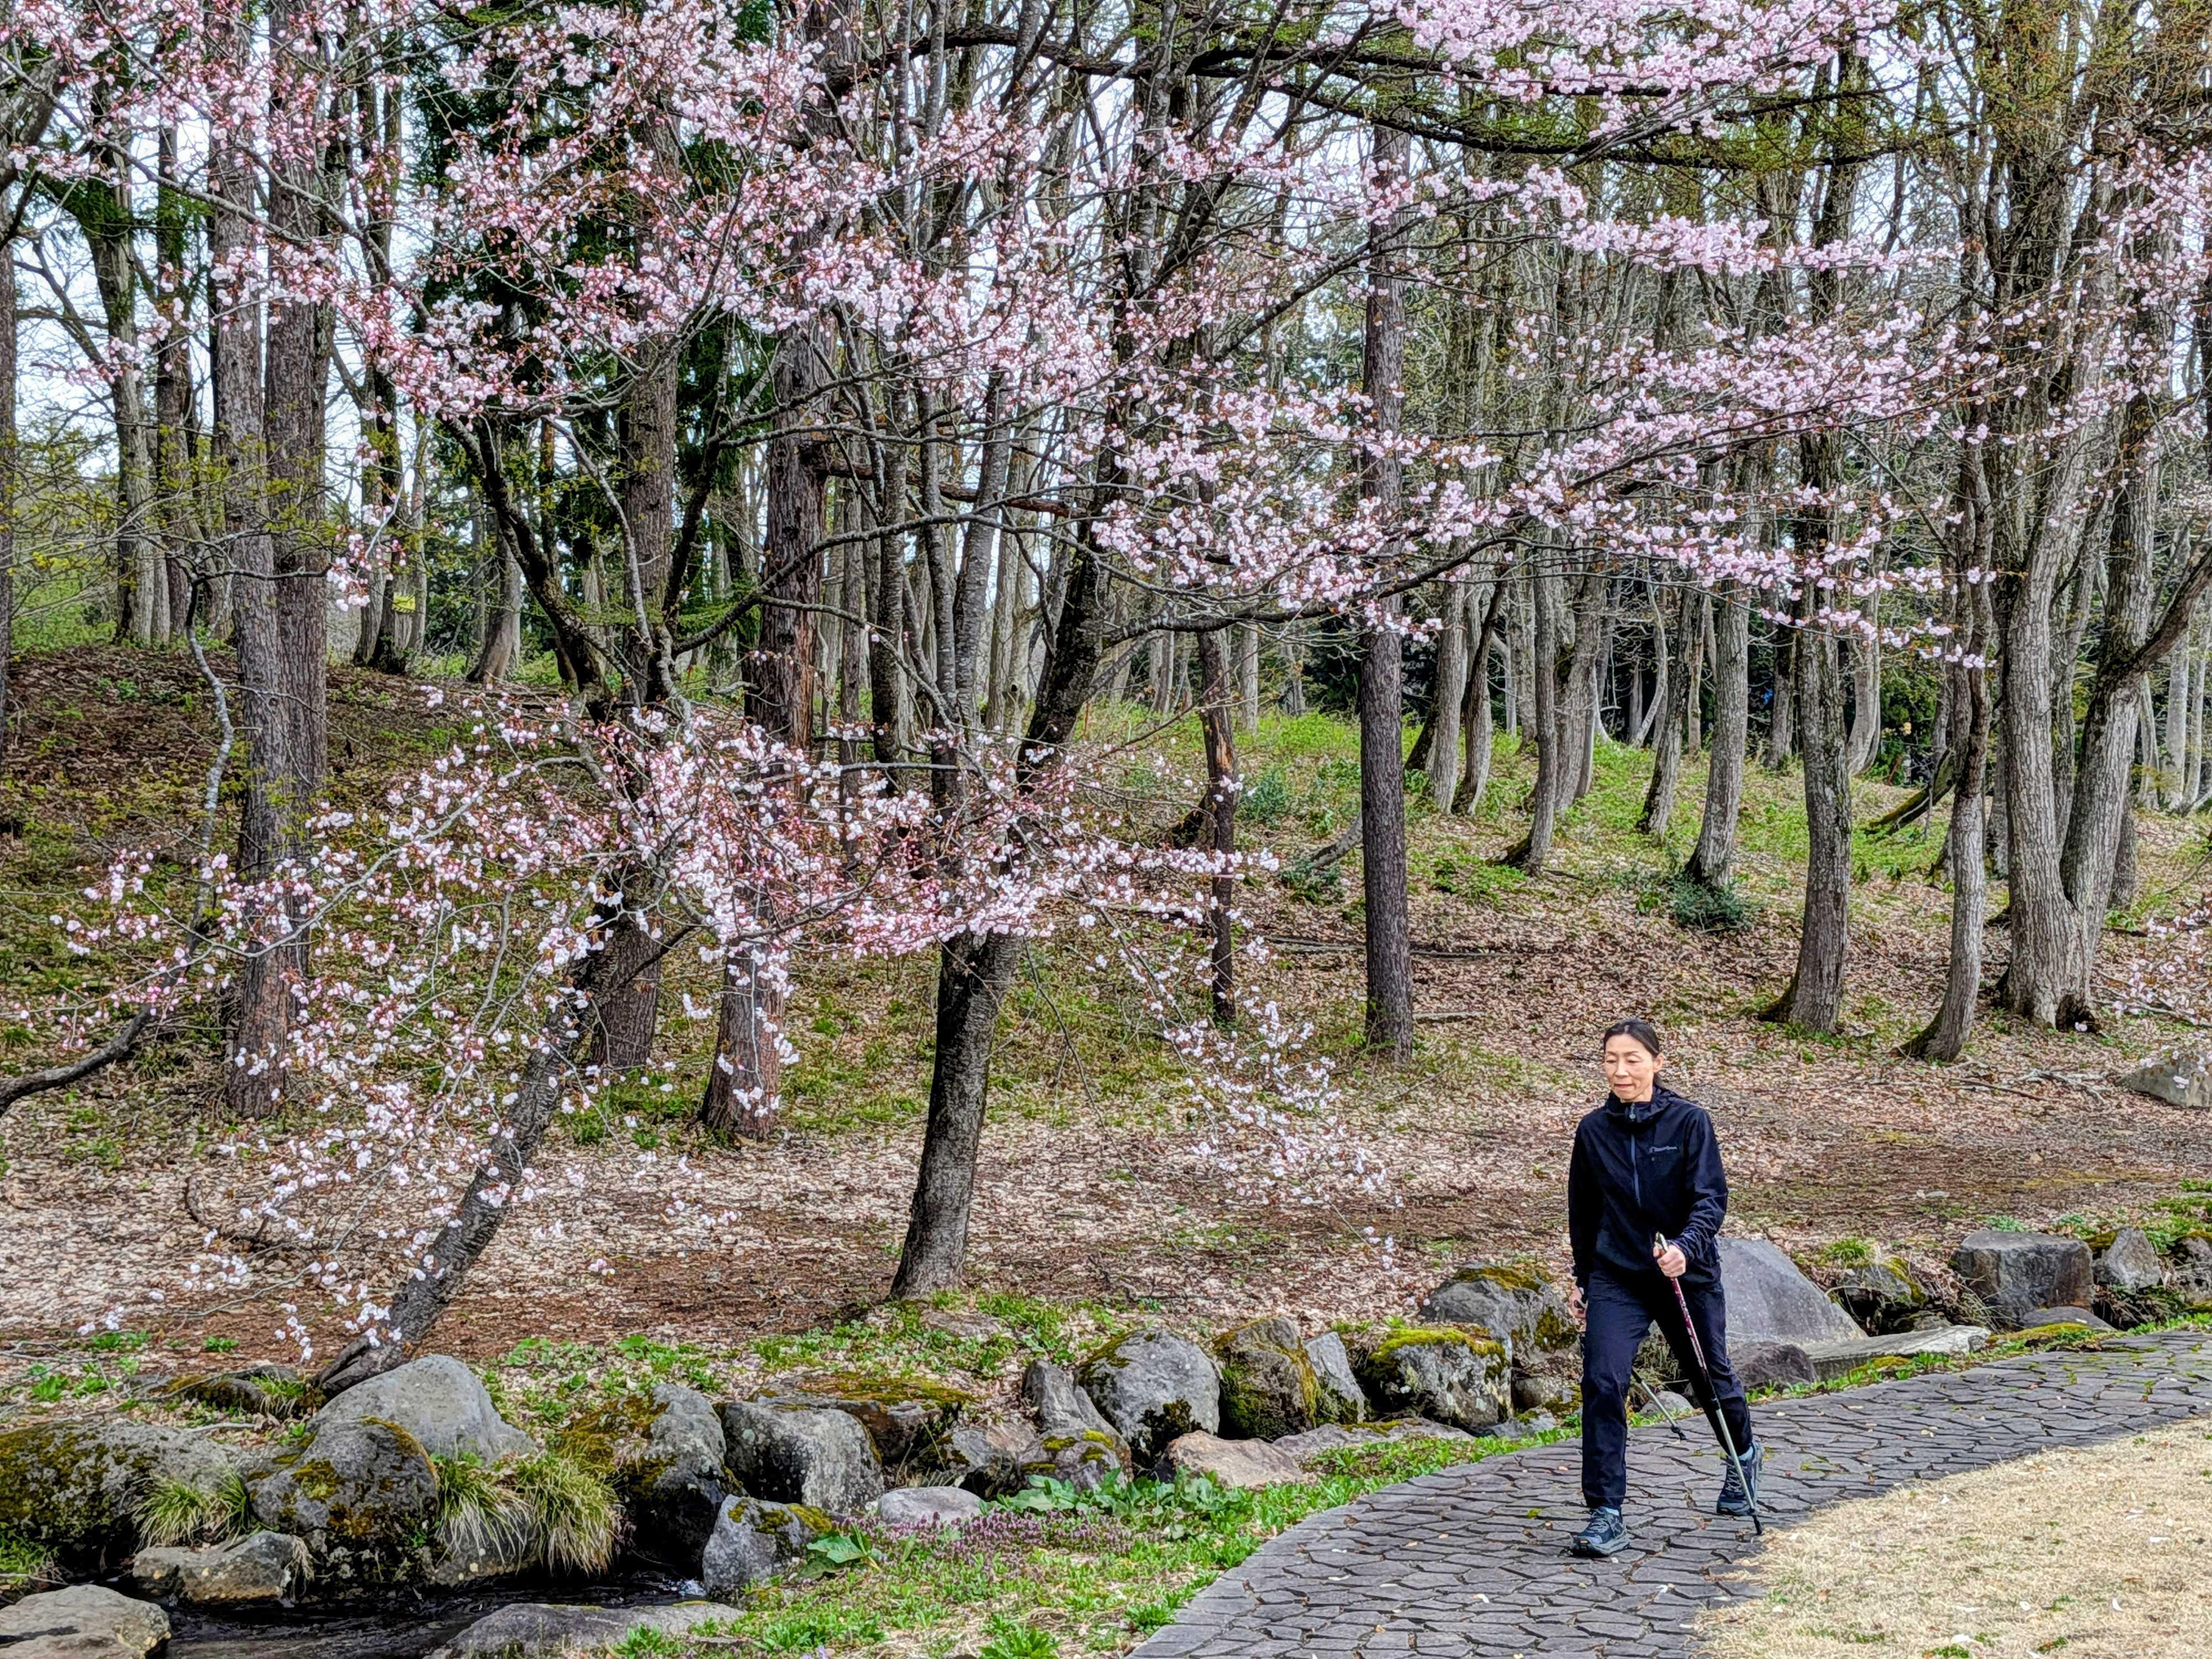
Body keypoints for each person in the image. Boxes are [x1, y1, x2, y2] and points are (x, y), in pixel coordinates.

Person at [1563, 1018, 1759, 1558]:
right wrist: (1583, 1280)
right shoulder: (1592, 1131)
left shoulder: (1689, 1122)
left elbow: (1710, 1200)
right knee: (1603, 1381)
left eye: (1632, 1059)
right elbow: (1584, 1213)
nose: (1620, 1070)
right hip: (1618, 1275)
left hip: (1685, 1273)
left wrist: (1684, 1248)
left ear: (1656, 1062)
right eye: (1611, 1060)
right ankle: (1606, 1513)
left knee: (1710, 1375)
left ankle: (1743, 1454)